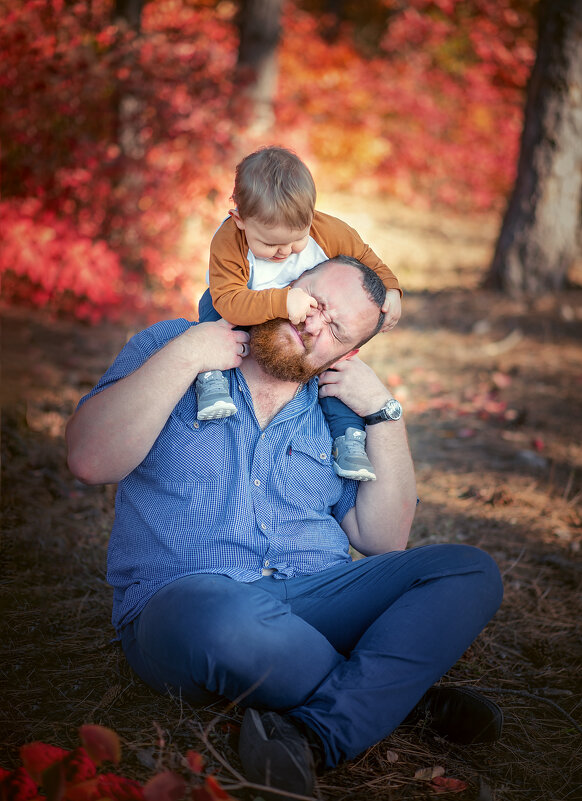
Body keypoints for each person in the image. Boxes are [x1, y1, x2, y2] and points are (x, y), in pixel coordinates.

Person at [66, 256, 504, 799]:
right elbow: (88, 461)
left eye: (337, 330)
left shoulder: (336, 414)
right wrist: (185, 356)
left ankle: (318, 730)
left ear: (348, 353)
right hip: (186, 604)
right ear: (283, 287)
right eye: (314, 302)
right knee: (228, 618)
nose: (313, 325)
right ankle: (393, 697)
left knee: (468, 570)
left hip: (315, 599)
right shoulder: (178, 344)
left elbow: (383, 539)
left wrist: (385, 415)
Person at [195, 145, 403, 482]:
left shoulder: (327, 229)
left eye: (296, 241)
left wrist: (391, 288)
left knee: (332, 365)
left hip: (301, 318)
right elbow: (229, 300)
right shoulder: (229, 241)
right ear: (240, 220)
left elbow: (365, 258)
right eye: (271, 244)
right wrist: (280, 302)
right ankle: (210, 378)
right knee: (211, 322)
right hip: (238, 306)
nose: (284, 252)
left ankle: (348, 439)